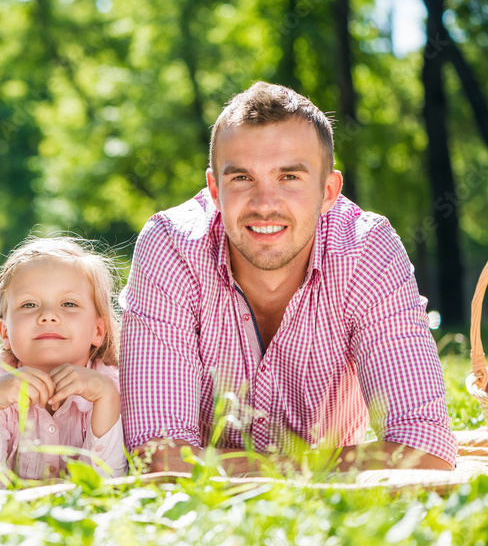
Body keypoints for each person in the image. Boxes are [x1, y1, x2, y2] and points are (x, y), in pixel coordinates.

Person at [120, 81, 457, 474]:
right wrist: (314, 470)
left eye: (289, 177)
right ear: (214, 189)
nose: (265, 204)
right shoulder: (172, 246)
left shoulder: (366, 251)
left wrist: (256, 471)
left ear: (328, 191)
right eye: (242, 178)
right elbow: (158, 456)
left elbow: (425, 450)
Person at [0, 237, 126, 487]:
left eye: (69, 304)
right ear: (5, 334)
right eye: (29, 304)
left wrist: (106, 399)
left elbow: (110, 488)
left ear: (98, 331)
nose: (48, 316)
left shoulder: (112, 385)